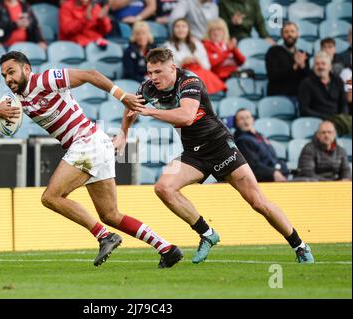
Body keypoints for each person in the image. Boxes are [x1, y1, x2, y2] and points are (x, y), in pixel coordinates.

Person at [113, 47, 315, 263]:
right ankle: (207, 234)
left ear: (172, 68)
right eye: (150, 72)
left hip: (220, 147)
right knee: (164, 187)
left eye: (157, 72)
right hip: (194, 153)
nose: (152, 78)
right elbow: (130, 106)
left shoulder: (189, 81)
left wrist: (151, 111)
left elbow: (187, 116)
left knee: (257, 202)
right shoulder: (148, 87)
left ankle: (300, 246)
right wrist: (124, 133)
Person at [0, 51, 183, 268]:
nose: (8, 79)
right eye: (4, 75)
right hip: (95, 145)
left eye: (11, 72)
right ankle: (167, 249)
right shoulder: (18, 100)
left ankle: (104, 236)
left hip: (86, 143)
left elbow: (90, 74)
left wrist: (122, 95)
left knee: (51, 197)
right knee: (110, 214)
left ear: (27, 69)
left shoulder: (45, 80)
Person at [165, 18, 226, 94]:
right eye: (177, 27)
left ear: (188, 29)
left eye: (184, 26)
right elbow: (168, 70)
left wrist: (198, 60)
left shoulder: (197, 43)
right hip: (183, 76)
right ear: (173, 30)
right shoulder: (169, 46)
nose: (181, 29)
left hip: (201, 73)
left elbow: (207, 66)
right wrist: (182, 62)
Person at [298, 51, 351, 137]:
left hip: (337, 121)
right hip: (316, 122)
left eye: (323, 64)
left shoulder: (338, 81)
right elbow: (304, 109)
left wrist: (342, 117)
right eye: (317, 64)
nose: (320, 66)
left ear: (330, 67)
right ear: (313, 67)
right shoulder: (306, 83)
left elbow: (344, 104)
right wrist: (327, 119)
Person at [233, 108, 289, 182]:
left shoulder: (261, 137)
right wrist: (273, 173)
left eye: (247, 117)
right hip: (263, 180)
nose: (246, 121)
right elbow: (253, 167)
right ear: (236, 123)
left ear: (252, 119)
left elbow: (274, 158)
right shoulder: (242, 141)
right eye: (241, 119)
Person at [265, 22, 310, 99]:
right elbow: (273, 75)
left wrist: (302, 65)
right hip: (278, 95)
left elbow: (308, 79)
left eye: (292, 31)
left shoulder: (303, 54)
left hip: (298, 96)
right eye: (286, 32)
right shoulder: (273, 51)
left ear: (297, 34)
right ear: (282, 35)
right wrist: (294, 66)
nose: (289, 35)